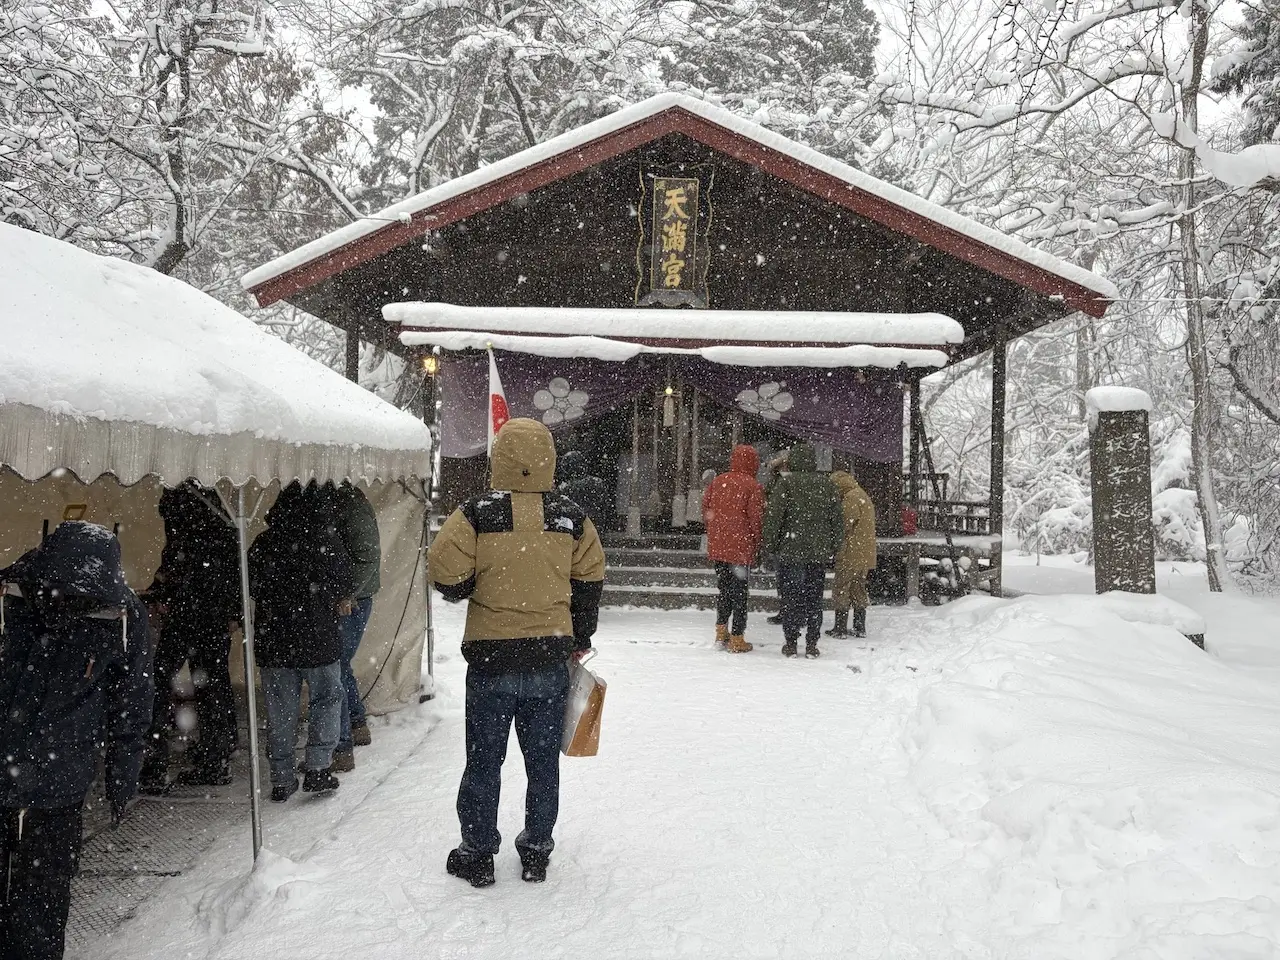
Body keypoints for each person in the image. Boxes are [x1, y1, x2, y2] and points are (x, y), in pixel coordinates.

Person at [429, 418, 605, 888]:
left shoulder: (475, 514)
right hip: (549, 655)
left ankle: (478, 851)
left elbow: (444, 571)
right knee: (542, 760)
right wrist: (579, 633)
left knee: (484, 759)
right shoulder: (571, 518)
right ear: (548, 457)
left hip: (491, 656)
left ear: (499, 456)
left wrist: (470, 584)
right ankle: (536, 852)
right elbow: (590, 580)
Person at [1, 522, 152, 960]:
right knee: (40, 900)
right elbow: (133, 707)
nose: (65, 606)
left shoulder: (122, 617)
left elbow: (132, 707)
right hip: (43, 772)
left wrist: (123, 778)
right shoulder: (12, 597)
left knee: (41, 905)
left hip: (56, 785)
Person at [248, 482, 356, 802]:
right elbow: (345, 583)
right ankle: (318, 768)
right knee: (325, 699)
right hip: (319, 637)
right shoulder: (327, 541)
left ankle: (281, 777)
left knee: (281, 710)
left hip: (274, 640)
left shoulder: (263, 543)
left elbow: (250, 585)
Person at [140, 482, 241, 792]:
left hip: (191, 617)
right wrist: (232, 611)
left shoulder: (188, 528)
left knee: (158, 683)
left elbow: (176, 568)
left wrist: (161, 593)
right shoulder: (220, 526)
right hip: (210, 618)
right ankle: (218, 753)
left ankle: (155, 765)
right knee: (213, 686)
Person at [762, 443, 843, 659]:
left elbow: (774, 517)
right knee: (814, 599)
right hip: (817, 554)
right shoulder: (827, 485)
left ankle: (790, 642)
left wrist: (770, 544)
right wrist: (834, 546)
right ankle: (812, 644)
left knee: (791, 598)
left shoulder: (786, 485)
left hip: (791, 551)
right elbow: (837, 520)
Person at [332, 481, 381, 773]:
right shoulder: (349, 501)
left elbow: (367, 556)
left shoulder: (349, 503)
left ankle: (344, 742)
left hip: (353, 600)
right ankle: (357, 722)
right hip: (352, 597)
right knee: (340, 665)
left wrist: (347, 595)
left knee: (336, 666)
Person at [702, 444, 765, 653]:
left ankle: (721, 631)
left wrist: (716, 531)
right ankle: (737, 637)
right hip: (740, 548)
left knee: (724, 589)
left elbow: (706, 509)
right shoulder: (752, 486)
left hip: (719, 546)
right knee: (740, 593)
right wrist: (758, 542)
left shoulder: (718, 481)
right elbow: (756, 519)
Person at [827, 471, 877, 639]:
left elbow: (844, 525)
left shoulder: (850, 498)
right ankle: (859, 627)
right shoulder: (862, 494)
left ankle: (840, 628)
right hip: (864, 552)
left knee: (841, 587)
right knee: (858, 588)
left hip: (851, 551)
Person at [761, 452, 789, 626]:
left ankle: (786, 610)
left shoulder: (778, 483)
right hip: (788, 535)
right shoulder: (778, 483)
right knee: (789, 578)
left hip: (782, 535)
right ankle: (790, 610)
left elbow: (773, 509)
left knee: (785, 578)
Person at [557, 449, 611, 528]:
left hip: (575, 528)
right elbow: (605, 505)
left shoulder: (564, 487)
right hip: (595, 525)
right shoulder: (597, 482)